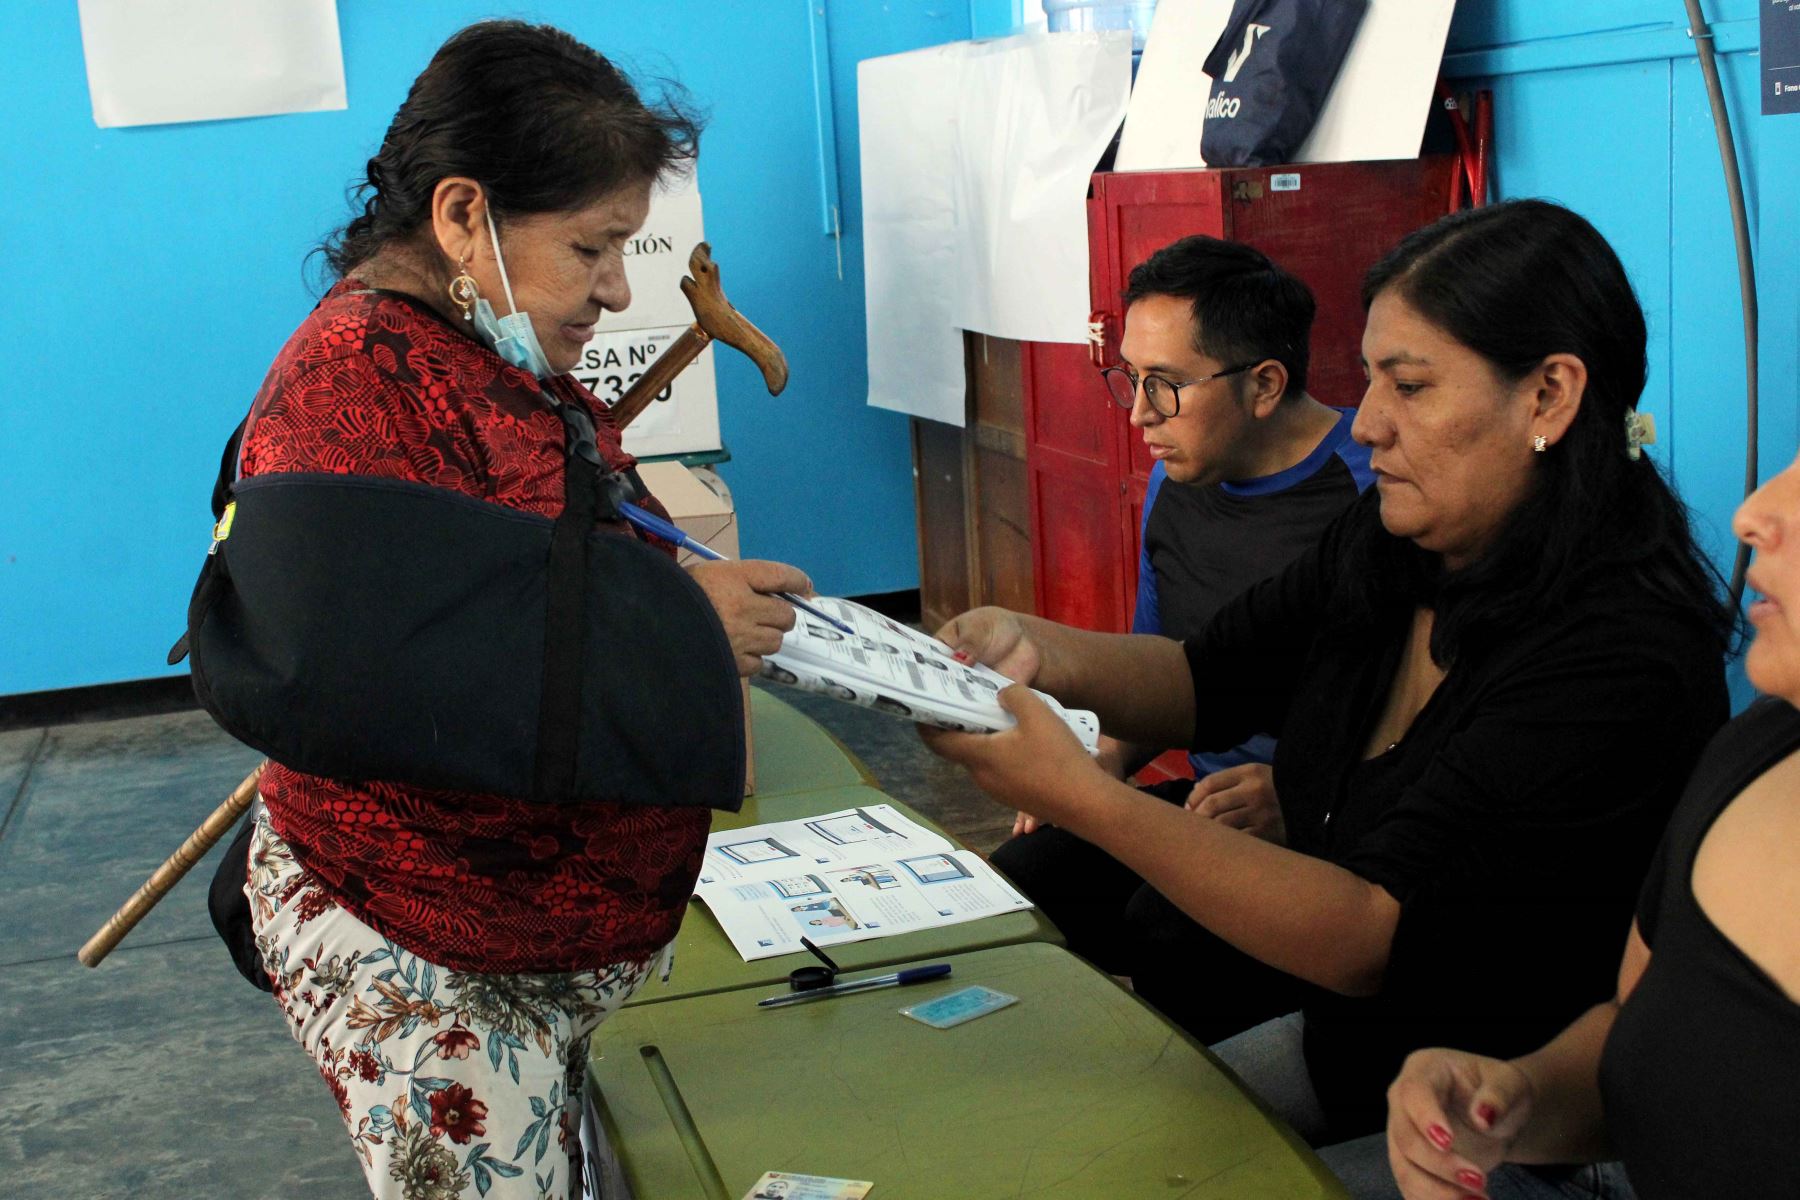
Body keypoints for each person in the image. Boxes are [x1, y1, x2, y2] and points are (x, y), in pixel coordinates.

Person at [921, 199, 1733, 1193]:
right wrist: (1036, 648)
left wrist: (1086, 793)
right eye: (1372, 380)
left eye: (1411, 385)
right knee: (1082, 1148)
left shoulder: (1619, 652)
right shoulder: (1399, 541)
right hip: (1351, 1049)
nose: (1373, 421)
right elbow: (1203, 679)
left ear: (1550, 397)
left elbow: (1368, 934)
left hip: (1501, 1123)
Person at [232, 22, 809, 1199]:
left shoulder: (476, 350)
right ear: (460, 216)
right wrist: (681, 629)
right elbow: (373, 675)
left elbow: (546, 560)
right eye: (593, 247)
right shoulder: (351, 388)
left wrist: (686, 589)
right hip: (426, 953)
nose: (616, 287)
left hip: (519, 947)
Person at [1385, 448, 1800, 1199]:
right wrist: (1512, 1100)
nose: (1755, 515)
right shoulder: (1756, 754)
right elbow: (1639, 1036)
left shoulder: (1624, 652)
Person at [987, 235, 1374, 1040]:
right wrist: (1102, 758)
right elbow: (1164, 665)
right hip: (1206, 802)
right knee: (1025, 878)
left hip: (1332, 822)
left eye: (1163, 387)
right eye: (1129, 380)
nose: (1137, 417)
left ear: (1265, 384)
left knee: (1166, 928)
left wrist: (1299, 793)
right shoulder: (1179, 473)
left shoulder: (1371, 496)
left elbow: (1412, 713)